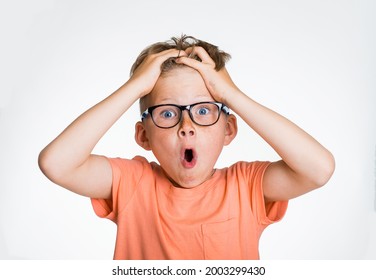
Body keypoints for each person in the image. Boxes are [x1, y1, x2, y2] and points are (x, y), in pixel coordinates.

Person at [38, 35, 335, 260]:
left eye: (204, 110)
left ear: (228, 129)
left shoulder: (246, 186)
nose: (187, 125)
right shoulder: (132, 183)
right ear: (144, 137)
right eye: (167, 113)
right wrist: (135, 88)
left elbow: (318, 169)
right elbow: (56, 163)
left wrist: (231, 94)